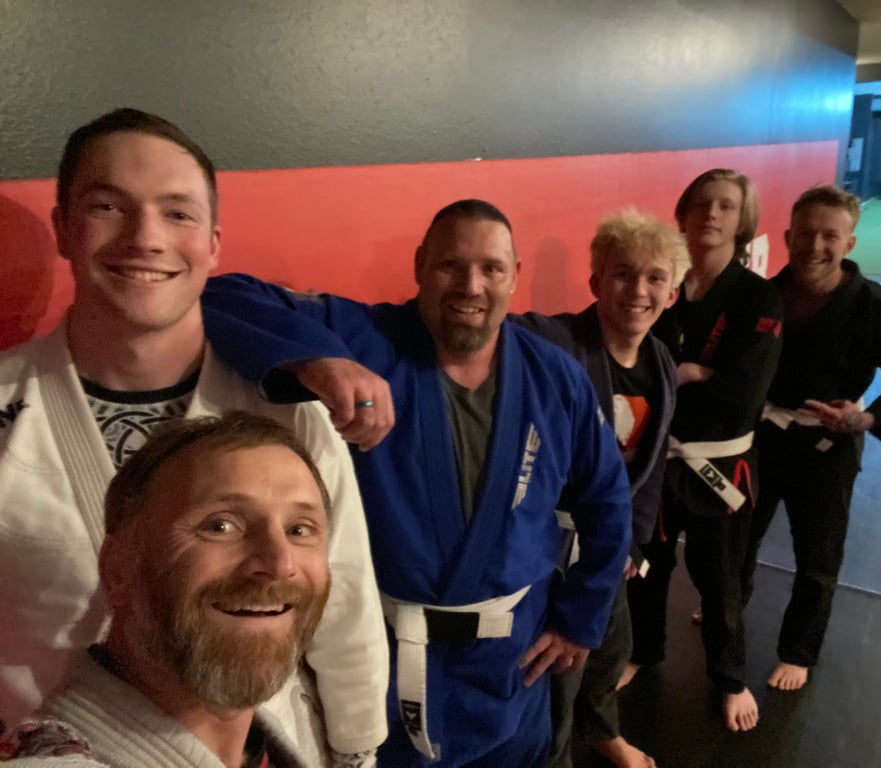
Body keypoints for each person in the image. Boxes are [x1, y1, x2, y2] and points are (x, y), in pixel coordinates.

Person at [0, 108, 389, 766]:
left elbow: (343, 606)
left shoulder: (289, 415)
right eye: (107, 207)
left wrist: (358, 751)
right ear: (65, 227)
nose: (146, 238)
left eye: (177, 213)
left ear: (212, 243)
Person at [200, 199, 634, 767]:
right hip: (384, 659)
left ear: (514, 276)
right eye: (451, 265)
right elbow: (219, 295)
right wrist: (319, 360)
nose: (471, 286)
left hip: (513, 664)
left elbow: (608, 500)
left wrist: (581, 618)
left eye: (491, 269)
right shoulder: (365, 339)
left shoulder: (555, 377)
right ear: (420, 266)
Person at [0, 412, 335, 767]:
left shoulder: (270, 748)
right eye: (220, 526)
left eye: (299, 530)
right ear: (118, 565)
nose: (280, 564)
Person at [742, 184, 881, 692]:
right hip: (762, 435)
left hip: (828, 446)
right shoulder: (762, 296)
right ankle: (729, 602)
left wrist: (868, 419)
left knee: (818, 554)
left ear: (849, 243)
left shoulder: (879, 308)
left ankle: (798, 651)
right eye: (805, 234)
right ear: (787, 236)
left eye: (829, 236)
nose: (815, 246)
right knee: (738, 537)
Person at [514, 211, 686, 768]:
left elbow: (651, 467)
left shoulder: (661, 362)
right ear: (596, 282)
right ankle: (554, 757)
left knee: (613, 647)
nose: (638, 290)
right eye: (622, 274)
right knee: (559, 667)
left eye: (655, 278)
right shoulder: (558, 341)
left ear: (672, 293)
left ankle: (601, 730)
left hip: (607, 540)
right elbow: (498, 327)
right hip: (550, 542)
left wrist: (633, 542)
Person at [621, 169, 782, 733]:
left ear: (743, 221)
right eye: (702, 204)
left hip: (722, 463)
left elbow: (747, 390)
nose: (711, 214)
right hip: (659, 458)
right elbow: (635, 363)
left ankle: (730, 678)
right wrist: (690, 373)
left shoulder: (759, 296)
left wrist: (688, 373)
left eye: (726, 206)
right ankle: (643, 651)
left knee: (719, 578)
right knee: (648, 565)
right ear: (684, 214)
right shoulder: (665, 287)